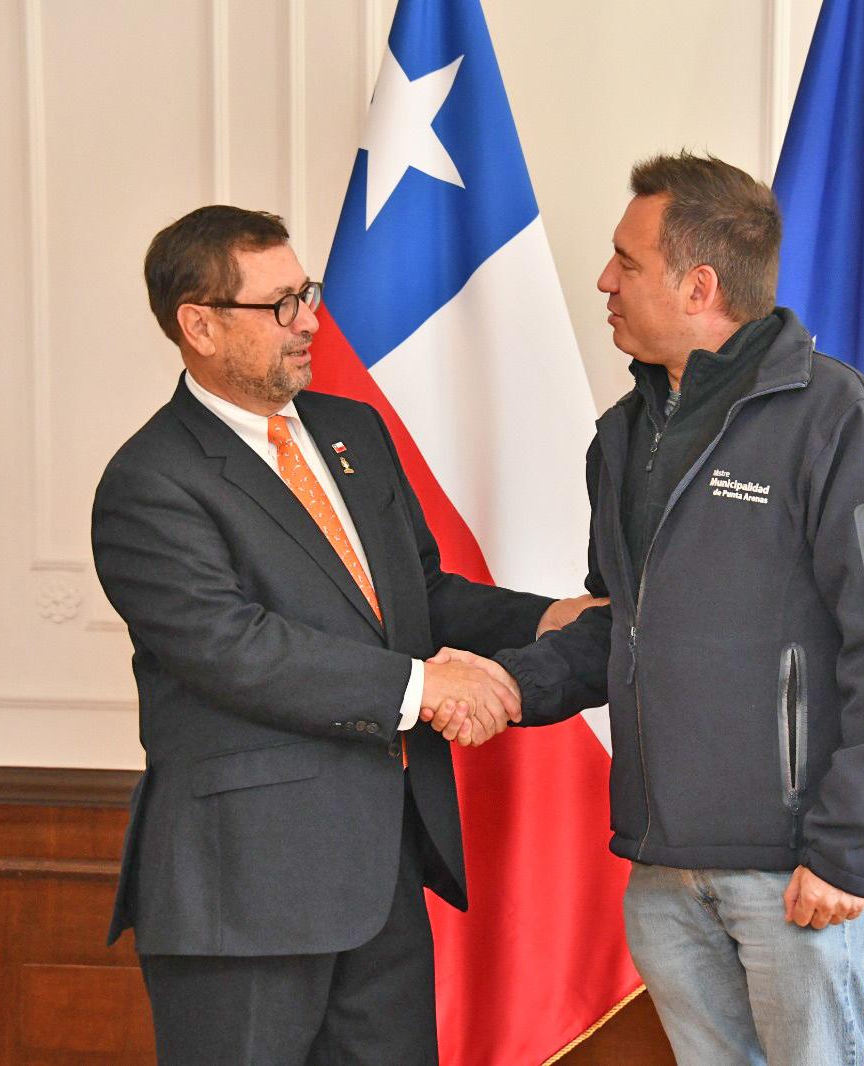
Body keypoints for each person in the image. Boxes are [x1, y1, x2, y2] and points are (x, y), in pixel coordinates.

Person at [437, 152, 864, 1065]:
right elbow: (618, 625)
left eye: (625, 262)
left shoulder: (837, 417)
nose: (604, 280)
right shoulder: (621, 435)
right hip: (660, 870)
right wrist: (505, 684)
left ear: (698, 286)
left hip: (795, 872)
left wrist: (844, 849)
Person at [91, 204, 597, 1065]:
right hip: (243, 892)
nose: (308, 322)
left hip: (383, 869)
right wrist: (423, 687)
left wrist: (544, 618)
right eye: (279, 304)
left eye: (308, 294)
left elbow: (414, 597)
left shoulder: (349, 430)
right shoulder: (151, 480)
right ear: (199, 325)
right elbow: (234, 649)